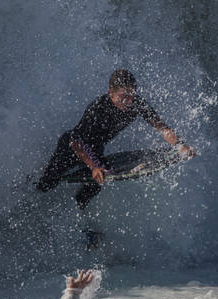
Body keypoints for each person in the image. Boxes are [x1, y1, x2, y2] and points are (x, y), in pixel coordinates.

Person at [36, 69, 194, 209]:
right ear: (110, 93)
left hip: (95, 149)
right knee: (47, 184)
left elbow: (161, 127)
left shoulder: (137, 104)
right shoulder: (98, 107)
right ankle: (30, 190)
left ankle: (79, 217)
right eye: (123, 96)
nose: (129, 101)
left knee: (96, 184)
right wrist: (93, 166)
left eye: (132, 95)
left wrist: (180, 145)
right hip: (71, 149)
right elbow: (76, 141)